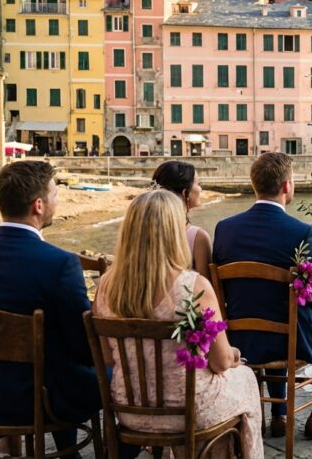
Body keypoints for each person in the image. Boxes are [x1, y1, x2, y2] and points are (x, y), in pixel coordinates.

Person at [93, 190, 262, 459]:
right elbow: (219, 362)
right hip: (187, 411)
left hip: (129, 410)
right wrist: (234, 356)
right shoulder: (193, 286)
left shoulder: (105, 286)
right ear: (174, 232)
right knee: (246, 378)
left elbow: (106, 359)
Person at [212, 152, 312, 440]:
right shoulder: (302, 232)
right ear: (287, 186)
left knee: (267, 310)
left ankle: (278, 416)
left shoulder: (224, 230)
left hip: (241, 341)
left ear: (254, 185)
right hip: (291, 341)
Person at [0, 161, 100, 454]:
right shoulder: (59, 263)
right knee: (111, 374)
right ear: (38, 205)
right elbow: (83, 347)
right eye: (55, 194)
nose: (58, 200)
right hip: (42, 402)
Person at [152, 160, 213, 279]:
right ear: (185, 193)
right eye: (198, 183)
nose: (200, 189)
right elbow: (206, 289)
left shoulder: (139, 230)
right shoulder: (197, 237)